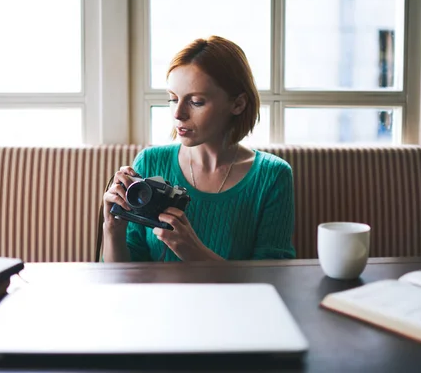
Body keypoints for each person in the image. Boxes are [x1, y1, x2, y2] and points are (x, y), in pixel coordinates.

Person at [102, 35, 295, 262]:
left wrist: (193, 252)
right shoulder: (149, 163)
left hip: (235, 300)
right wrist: (113, 230)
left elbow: (273, 278)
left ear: (238, 104)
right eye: (173, 99)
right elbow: (124, 276)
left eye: (196, 102)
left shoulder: (271, 176)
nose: (178, 114)